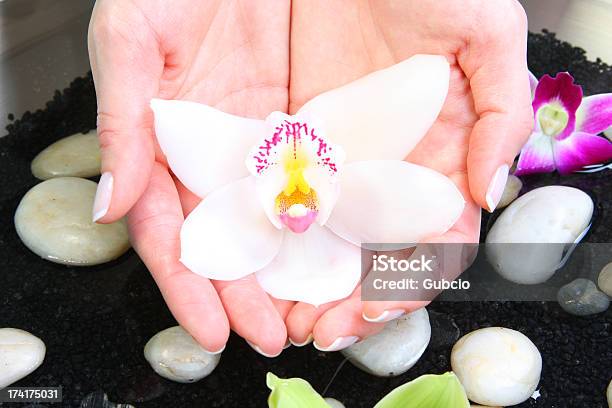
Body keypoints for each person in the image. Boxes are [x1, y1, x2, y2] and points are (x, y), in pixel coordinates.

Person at [87, 0, 533, 357]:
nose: (298, 193)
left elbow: (430, 199)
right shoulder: (222, 202)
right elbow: (203, 243)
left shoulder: (381, 188)